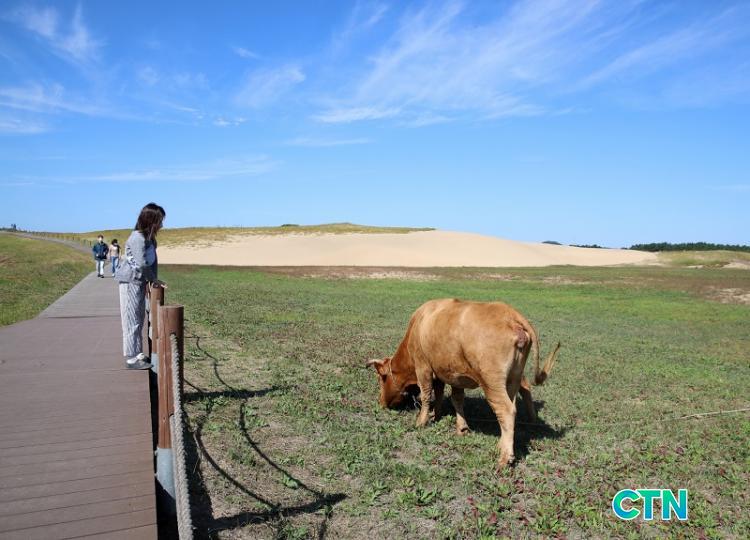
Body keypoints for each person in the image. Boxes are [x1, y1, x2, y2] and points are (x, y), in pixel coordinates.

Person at [115, 203, 167, 370]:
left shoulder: (150, 239)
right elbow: (142, 263)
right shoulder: (137, 238)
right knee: (131, 318)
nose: (161, 225)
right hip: (130, 281)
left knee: (139, 317)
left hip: (139, 282)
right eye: (159, 221)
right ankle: (131, 358)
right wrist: (153, 279)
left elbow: (152, 262)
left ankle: (137, 353)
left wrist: (153, 279)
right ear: (150, 220)